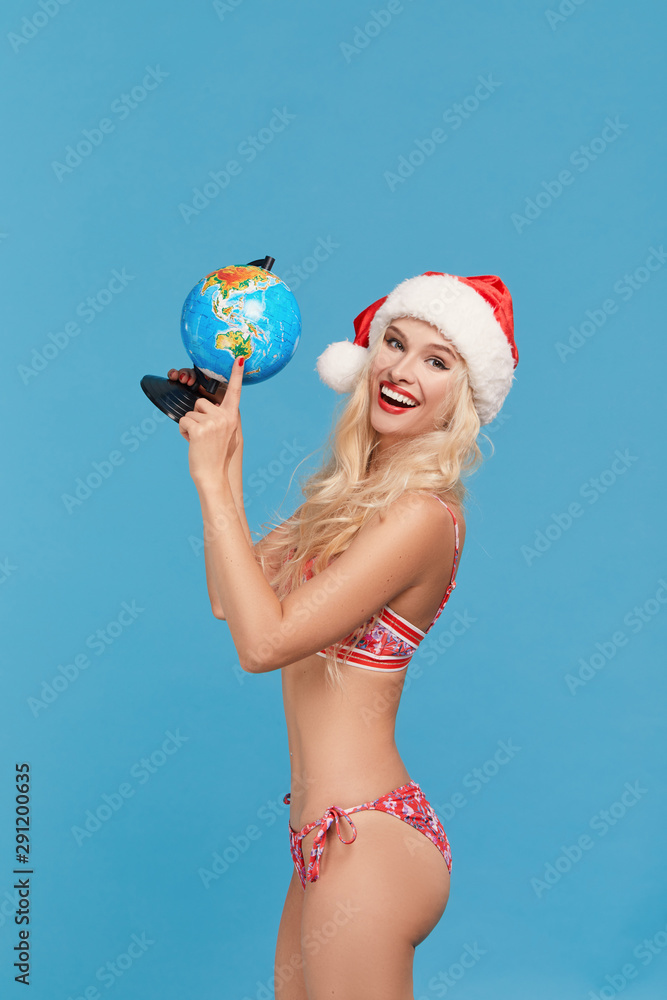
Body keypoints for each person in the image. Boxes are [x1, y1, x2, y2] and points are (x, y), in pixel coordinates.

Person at [169, 270, 518, 999]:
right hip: (324, 840)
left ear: (465, 397)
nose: (401, 368)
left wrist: (210, 481)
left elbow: (263, 647)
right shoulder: (346, 504)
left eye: (437, 360)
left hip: (370, 841)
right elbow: (230, 601)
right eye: (394, 343)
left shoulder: (421, 516)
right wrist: (224, 451)